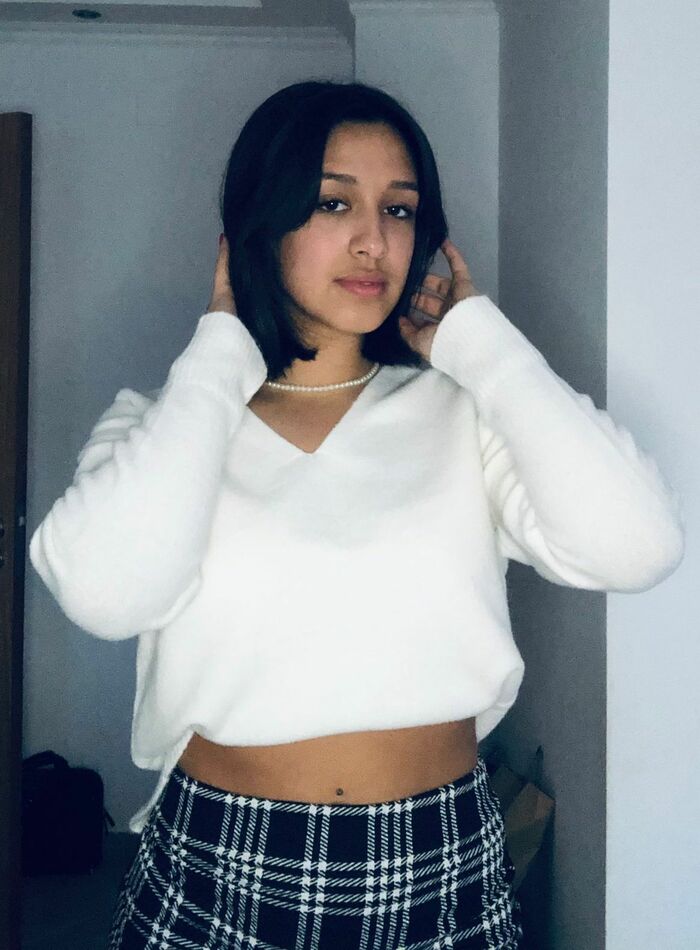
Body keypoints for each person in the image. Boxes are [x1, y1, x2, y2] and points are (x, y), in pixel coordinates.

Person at [28, 81, 685, 950]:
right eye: (333, 202)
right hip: (217, 869)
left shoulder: (464, 415)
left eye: (399, 209)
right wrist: (222, 348)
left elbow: (637, 547)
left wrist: (481, 344)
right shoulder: (164, 425)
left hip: (443, 870)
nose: (374, 239)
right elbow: (107, 595)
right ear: (261, 223)